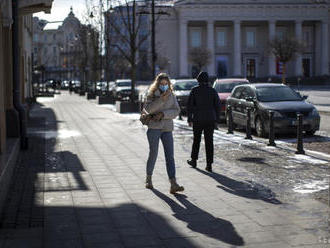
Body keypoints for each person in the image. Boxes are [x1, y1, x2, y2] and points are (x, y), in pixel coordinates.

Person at [143, 73, 184, 194]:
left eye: (166, 84)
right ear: (157, 84)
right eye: (162, 84)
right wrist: (161, 100)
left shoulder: (171, 95)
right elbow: (148, 109)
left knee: (170, 156)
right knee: (153, 153)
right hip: (154, 128)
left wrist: (163, 114)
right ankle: (148, 179)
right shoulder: (151, 95)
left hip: (167, 128)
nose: (164, 86)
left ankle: (173, 183)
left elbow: (176, 111)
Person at [186, 71, 221, 172]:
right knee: (209, 142)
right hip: (210, 119)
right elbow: (217, 106)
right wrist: (216, 119)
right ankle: (209, 164)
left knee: (196, 140)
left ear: (198, 80)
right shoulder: (212, 91)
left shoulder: (194, 90)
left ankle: (194, 160)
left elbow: (190, 106)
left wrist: (189, 119)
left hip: (198, 119)